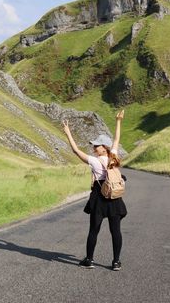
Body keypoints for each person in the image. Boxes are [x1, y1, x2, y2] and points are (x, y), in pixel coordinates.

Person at [62, 110, 127, 271]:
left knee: (94, 230)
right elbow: (117, 139)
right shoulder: (113, 156)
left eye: (96, 146)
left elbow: (76, 151)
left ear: (104, 148)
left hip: (99, 198)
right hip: (114, 197)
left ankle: (89, 260)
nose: (94, 148)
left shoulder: (94, 161)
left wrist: (68, 132)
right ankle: (116, 262)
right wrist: (118, 121)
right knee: (116, 231)